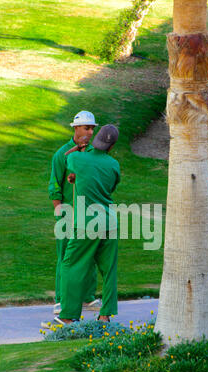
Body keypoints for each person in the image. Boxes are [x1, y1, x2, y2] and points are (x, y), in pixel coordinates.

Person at [55, 124, 120, 325]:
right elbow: (111, 186)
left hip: (86, 222)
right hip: (109, 221)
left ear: (96, 139)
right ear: (111, 146)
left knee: (70, 265)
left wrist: (79, 149)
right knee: (109, 270)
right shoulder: (114, 165)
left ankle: (67, 315)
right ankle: (105, 315)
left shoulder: (77, 158)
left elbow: (66, 158)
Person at [48, 111, 101, 316]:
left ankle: (87, 297)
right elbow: (54, 183)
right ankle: (61, 299)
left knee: (89, 255)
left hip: (90, 213)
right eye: (87, 128)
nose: (90, 132)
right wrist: (58, 207)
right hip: (68, 213)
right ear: (76, 128)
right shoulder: (62, 154)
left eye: (92, 129)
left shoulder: (94, 154)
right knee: (65, 256)